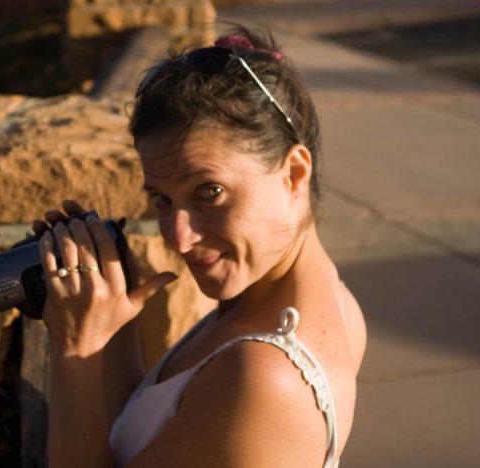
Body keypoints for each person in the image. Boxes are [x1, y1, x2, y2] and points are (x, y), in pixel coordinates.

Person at [32, 26, 366, 467]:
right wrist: (111, 323)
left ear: (294, 174)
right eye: (162, 199)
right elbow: (144, 428)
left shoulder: (261, 380)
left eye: (209, 192)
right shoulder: (330, 305)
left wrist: (73, 349)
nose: (177, 237)